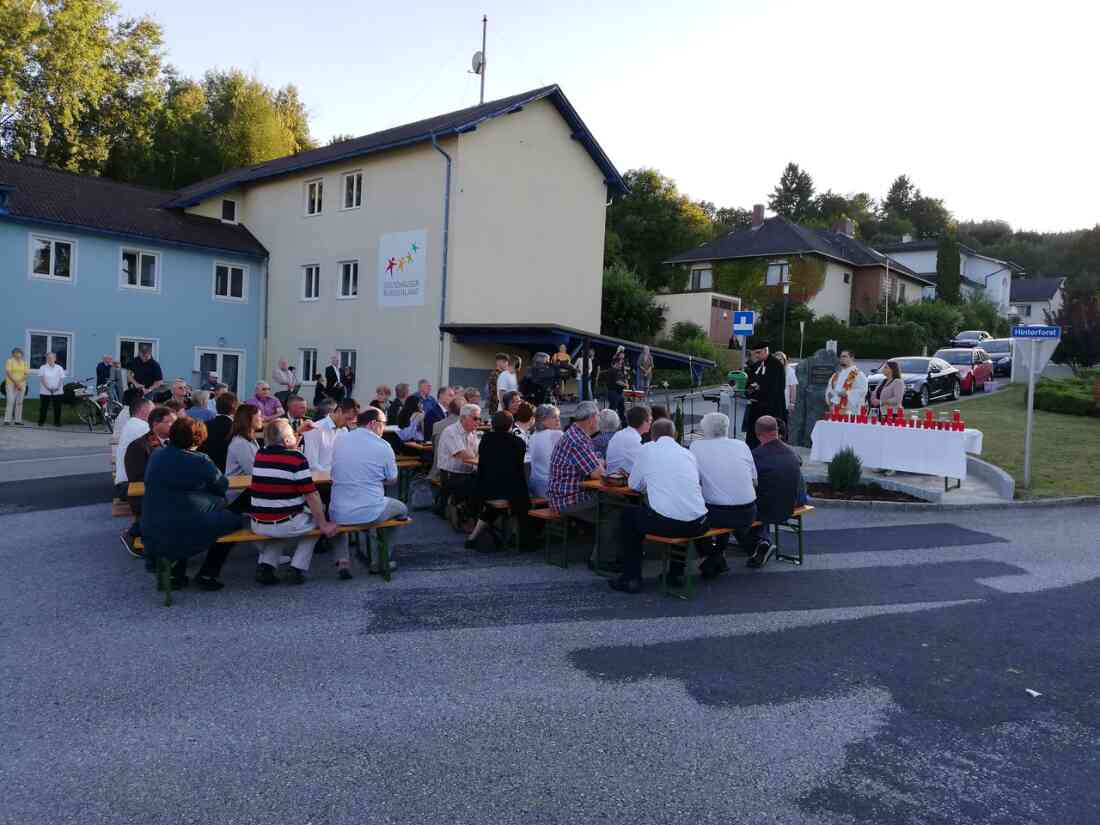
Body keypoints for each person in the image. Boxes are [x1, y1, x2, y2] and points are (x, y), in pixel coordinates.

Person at [140, 416, 241, 591]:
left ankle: (177, 575)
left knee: (183, 513)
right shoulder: (200, 460)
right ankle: (208, 572)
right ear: (199, 438)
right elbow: (222, 485)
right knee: (234, 521)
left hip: (153, 523)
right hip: (185, 523)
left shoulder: (156, 455)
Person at [610, 418, 708, 594]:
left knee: (629, 515)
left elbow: (634, 486)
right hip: (699, 523)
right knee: (679, 508)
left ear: (652, 436)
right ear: (675, 434)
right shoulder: (687, 453)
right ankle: (675, 573)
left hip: (670, 524)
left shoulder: (646, 450)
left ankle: (631, 577)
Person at [249, 418, 338, 585]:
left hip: (258, 522)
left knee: (281, 520)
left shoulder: (260, 454)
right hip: (285, 523)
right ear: (287, 440)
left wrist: (297, 434)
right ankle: (297, 568)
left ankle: (266, 566)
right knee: (316, 521)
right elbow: (311, 495)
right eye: (292, 435)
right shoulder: (297, 458)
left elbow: (285, 453)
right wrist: (324, 523)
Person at [329, 408, 409, 577]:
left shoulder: (340, 439)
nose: (384, 428)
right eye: (384, 424)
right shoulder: (383, 445)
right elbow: (392, 479)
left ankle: (343, 561)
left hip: (339, 510)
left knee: (337, 517)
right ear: (373, 423)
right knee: (402, 511)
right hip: (371, 511)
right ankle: (380, 560)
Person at [690, 412, 757, 579]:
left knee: (693, 514)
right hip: (748, 512)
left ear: (705, 430)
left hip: (717, 514)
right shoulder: (741, 445)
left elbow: (692, 481)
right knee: (721, 501)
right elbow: (754, 480)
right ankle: (718, 559)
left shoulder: (696, 446)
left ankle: (712, 557)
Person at [740, 415, 802, 568]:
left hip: (768, 509)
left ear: (757, 433)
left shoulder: (755, 455)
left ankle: (758, 545)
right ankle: (762, 542)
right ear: (777, 430)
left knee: (738, 509)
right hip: (791, 505)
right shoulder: (794, 453)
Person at [466, 410, 531, 551]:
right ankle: (519, 537)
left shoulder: (486, 439)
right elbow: (518, 470)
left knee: (493, 505)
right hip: (508, 489)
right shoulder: (518, 442)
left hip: (485, 487)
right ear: (510, 425)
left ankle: (473, 536)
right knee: (524, 501)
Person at [121, 405, 176, 558]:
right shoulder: (138, 446)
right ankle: (133, 533)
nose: (174, 425)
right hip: (144, 495)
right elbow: (138, 479)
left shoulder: (173, 443)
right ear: (156, 424)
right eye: (170, 422)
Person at [546, 400, 603, 519]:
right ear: (591, 419)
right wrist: (600, 464)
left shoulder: (574, 434)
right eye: (598, 416)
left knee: (612, 501)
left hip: (561, 497)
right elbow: (598, 473)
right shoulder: (577, 440)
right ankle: (593, 537)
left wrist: (598, 463)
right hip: (567, 501)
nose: (599, 420)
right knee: (614, 505)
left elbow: (597, 461)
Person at [437, 403, 481, 518]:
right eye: (475, 418)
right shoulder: (451, 431)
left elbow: (477, 454)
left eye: (479, 419)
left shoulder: (472, 432)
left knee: (486, 483)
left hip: (467, 473)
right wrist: (474, 454)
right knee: (477, 487)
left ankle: (473, 516)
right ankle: (464, 515)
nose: (478, 422)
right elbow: (464, 454)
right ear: (463, 418)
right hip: (451, 475)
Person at [742, 338, 786, 449]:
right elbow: (749, 383)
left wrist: (760, 389)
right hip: (756, 407)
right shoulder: (756, 366)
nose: (756, 355)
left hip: (771, 408)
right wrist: (750, 390)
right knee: (753, 437)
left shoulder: (776, 365)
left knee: (768, 436)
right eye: (755, 353)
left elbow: (777, 388)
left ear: (766, 351)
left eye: (758, 353)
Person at [114, 395, 153, 501]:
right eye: (153, 410)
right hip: (131, 487)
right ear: (144, 410)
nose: (155, 414)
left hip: (125, 485)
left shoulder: (132, 424)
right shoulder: (142, 427)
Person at [303, 397, 356, 472]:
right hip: (320, 481)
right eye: (348, 419)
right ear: (339, 411)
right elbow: (311, 464)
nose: (348, 424)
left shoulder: (344, 430)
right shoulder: (315, 428)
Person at [527, 404, 564, 498]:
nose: (558, 419)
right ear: (543, 420)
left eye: (558, 416)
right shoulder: (557, 434)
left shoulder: (532, 436)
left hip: (535, 486)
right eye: (554, 417)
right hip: (551, 488)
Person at [605, 405, 651, 476]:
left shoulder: (622, 434)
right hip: (618, 482)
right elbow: (645, 465)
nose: (650, 423)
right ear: (644, 422)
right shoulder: (632, 439)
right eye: (650, 420)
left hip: (614, 478)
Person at [200, 392, 238, 472]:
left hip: (206, 468)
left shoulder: (205, 425)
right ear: (234, 407)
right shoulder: (236, 428)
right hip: (227, 470)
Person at [825, 349, 868, 417]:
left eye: (844, 356)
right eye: (841, 357)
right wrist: (829, 397)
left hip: (851, 412)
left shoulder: (858, 374)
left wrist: (847, 394)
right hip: (835, 410)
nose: (842, 358)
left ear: (852, 358)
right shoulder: (835, 375)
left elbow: (863, 391)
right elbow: (829, 389)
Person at [225, 403, 262, 482]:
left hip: (246, 486)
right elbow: (253, 471)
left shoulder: (248, 439)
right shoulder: (240, 443)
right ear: (248, 419)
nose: (262, 419)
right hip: (239, 490)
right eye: (259, 416)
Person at [36, 351, 65, 427]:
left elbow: (61, 379)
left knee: (57, 408)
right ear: (46, 359)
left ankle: (57, 422)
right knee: (43, 407)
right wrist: (48, 387)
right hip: (45, 391)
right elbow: (42, 379)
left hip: (58, 391)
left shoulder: (59, 368)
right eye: (48, 358)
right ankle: (41, 421)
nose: (50, 359)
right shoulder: (43, 367)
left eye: (52, 358)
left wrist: (57, 387)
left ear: (55, 359)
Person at [4, 347, 27, 425]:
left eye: (19, 352)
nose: (18, 354)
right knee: (10, 401)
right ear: (13, 354)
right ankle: (7, 420)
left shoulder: (24, 362)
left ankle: (18, 420)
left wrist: (19, 383)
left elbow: (26, 374)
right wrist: (16, 383)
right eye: (16, 352)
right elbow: (8, 373)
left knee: (19, 402)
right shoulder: (9, 361)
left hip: (22, 385)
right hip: (11, 384)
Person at [775, 351, 798, 417]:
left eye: (780, 359)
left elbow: (793, 388)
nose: (778, 361)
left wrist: (792, 403)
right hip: (772, 404)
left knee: (782, 424)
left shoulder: (790, 371)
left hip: (784, 404)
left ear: (784, 360)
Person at [606, 356, 628, 422]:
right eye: (620, 364)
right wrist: (625, 385)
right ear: (616, 363)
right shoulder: (613, 371)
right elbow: (617, 381)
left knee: (621, 410)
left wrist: (625, 380)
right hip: (613, 392)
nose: (621, 365)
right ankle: (608, 424)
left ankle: (624, 425)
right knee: (612, 410)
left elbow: (623, 379)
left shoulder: (619, 371)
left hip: (619, 393)